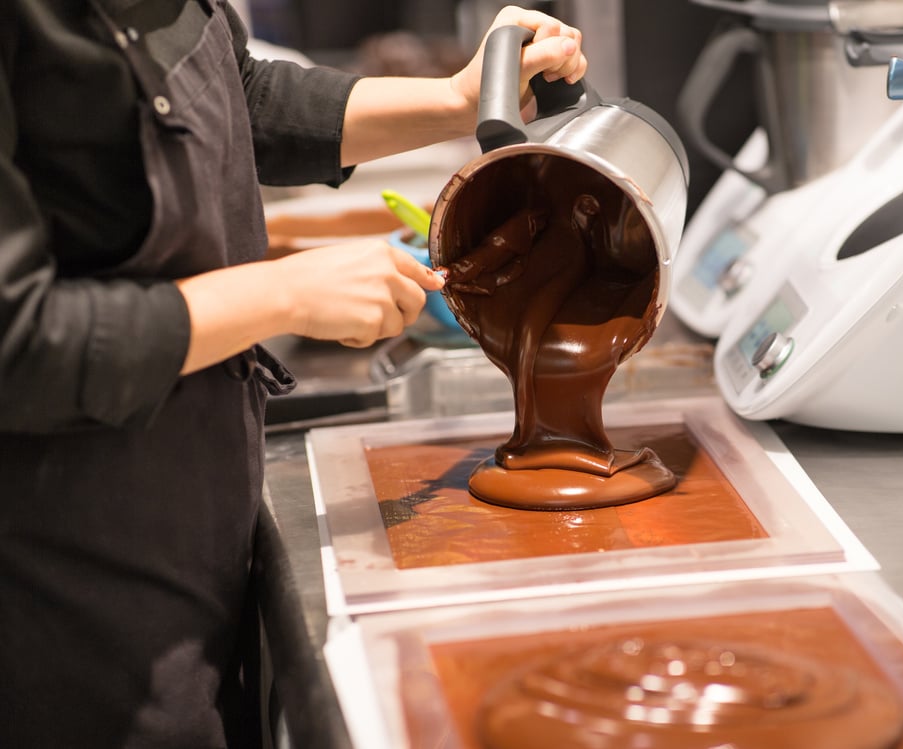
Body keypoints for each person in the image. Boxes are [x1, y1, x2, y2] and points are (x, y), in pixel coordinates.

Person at [0, 1, 586, 746]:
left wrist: (455, 99)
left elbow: (239, 96)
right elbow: (17, 343)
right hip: (64, 595)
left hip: (196, 530)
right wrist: (285, 293)